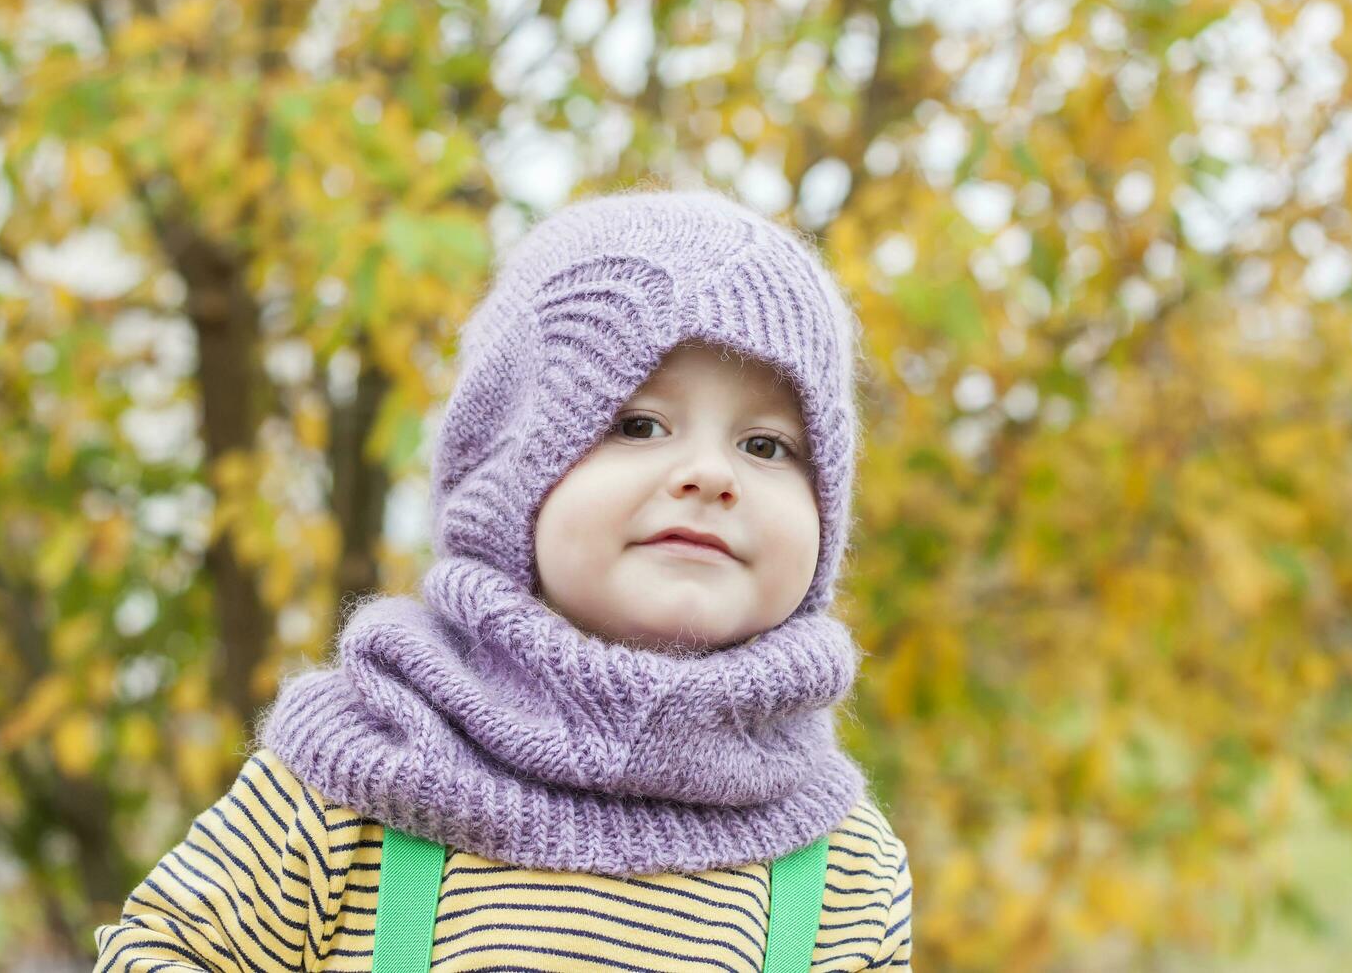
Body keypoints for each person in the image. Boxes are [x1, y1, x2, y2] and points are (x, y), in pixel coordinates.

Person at [92, 185, 914, 971]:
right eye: (638, 424)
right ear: (509, 473)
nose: (709, 473)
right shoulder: (358, 768)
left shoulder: (842, 867)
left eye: (765, 445)